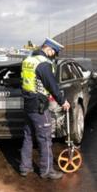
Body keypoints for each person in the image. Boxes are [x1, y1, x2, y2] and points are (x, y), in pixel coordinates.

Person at [19, 37, 71, 180]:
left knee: (28, 136)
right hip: (39, 106)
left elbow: (24, 81)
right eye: (53, 52)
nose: (53, 55)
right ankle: (47, 171)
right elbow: (52, 85)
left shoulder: (28, 60)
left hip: (28, 104)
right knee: (45, 139)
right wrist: (63, 101)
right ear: (48, 48)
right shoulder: (43, 64)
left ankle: (25, 167)